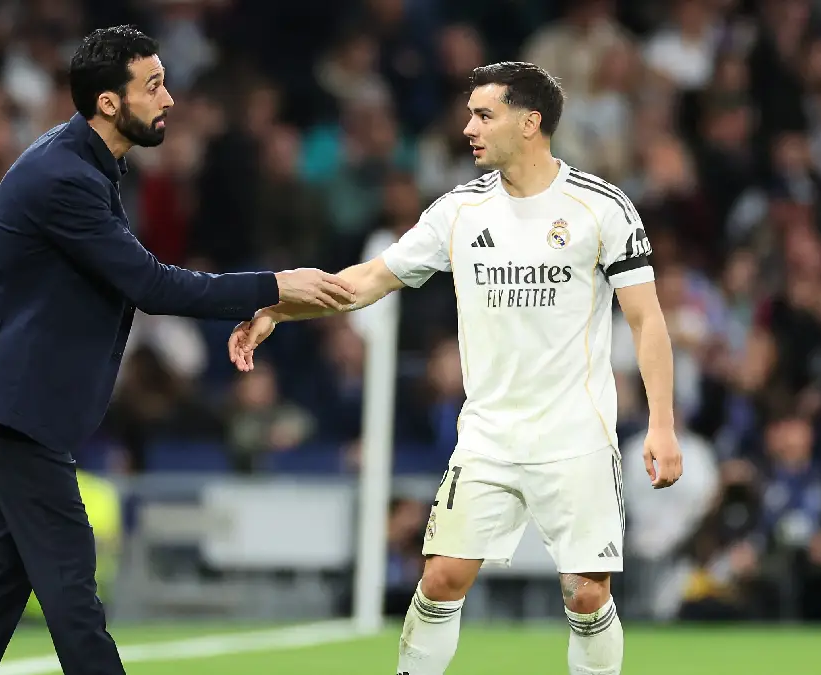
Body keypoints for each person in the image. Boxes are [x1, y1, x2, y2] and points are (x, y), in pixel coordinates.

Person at [229, 61, 683, 675]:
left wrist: (661, 424)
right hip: (489, 435)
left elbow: (647, 321)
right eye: (469, 113)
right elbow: (368, 280)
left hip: (577, 434)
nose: (467, 126)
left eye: (483, 115)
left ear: (531, 123)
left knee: (586, 593)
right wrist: (278, 312)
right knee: (440, 578)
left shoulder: (602, 208)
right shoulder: (458, 211)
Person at [0, 25, 355, 675]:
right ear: (107, 102)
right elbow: (151, 284)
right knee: (70, 584)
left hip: (13, 392)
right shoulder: (65, 176)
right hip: (13, 398)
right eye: (152, 85)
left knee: (3, 578)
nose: (170, 99)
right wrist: (275, 285)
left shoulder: (86, 162)